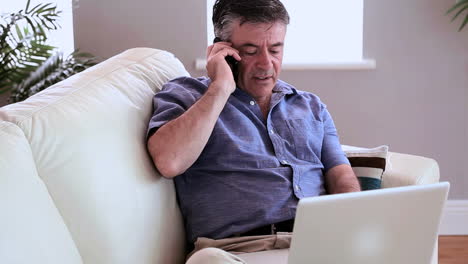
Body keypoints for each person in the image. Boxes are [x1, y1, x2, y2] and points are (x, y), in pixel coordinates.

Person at [146, 0, 361, 263]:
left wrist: (352, 229)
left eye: (275, 49)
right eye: (250, 51)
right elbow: (169, 161)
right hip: (235, 252)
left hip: (316, 244)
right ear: (223, 50)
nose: (266, 64)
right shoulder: (187, 96)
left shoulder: (311, 106)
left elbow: (341, 178)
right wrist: (221, 88)